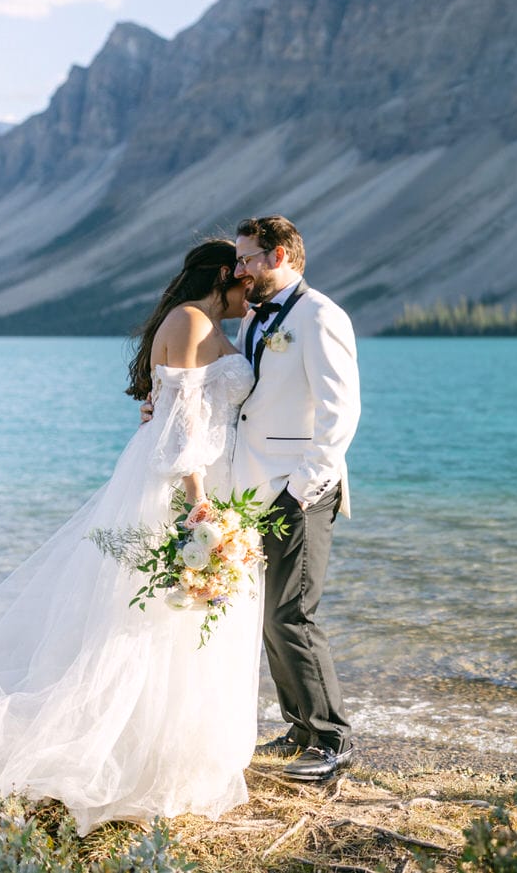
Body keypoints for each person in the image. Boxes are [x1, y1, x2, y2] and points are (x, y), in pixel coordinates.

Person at [0, 239, 260, 834]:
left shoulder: (186, 318)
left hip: (171, 471)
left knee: (158, 611)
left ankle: (156, 749)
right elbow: (186, 423)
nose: (250, 292)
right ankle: (146, 758)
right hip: (187, 481)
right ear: (223, 276)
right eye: (244, 283)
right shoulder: (196, 322)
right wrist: (201, 506)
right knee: (157, 616)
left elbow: (166, 406)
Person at [140, 216, 361, 781]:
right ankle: (299, 729)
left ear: (279, 255)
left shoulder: (319, 316)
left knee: (292, 613)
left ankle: (332, 739)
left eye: (246, 259)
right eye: (237, 261)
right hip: (253, 490)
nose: (237, 270)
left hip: (298, 491)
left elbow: (340, 414)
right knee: (268, 615)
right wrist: (161, 409)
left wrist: (302, 488)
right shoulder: (258, 319)